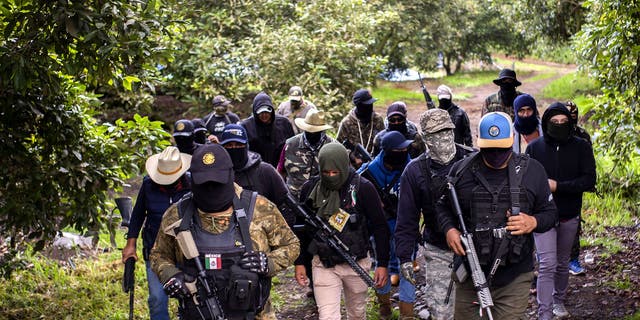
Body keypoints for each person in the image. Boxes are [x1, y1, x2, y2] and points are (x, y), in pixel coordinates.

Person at [150, 143, 300, 320]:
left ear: (230, 175)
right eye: (204, 183)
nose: (211, 188)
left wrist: (269, 262)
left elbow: (291, 244)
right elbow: (158, 255)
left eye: (217, 182)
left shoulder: (259, 208)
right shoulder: (177, 214)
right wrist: (171, 275)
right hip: (198, 313)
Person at [436, 112, 557, 319]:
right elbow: (442, 207)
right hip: (469, 275)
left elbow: (550, 214)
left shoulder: (533, 171)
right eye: (489, 149)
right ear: (479, 143)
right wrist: (449, 229)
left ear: (511, 141)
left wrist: (532, 221)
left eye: (501, 148)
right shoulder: (461, 171)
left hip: (514, 277)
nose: (495, 154)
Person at [294, 143, 390, 320]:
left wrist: (382, 264)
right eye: (326, 173)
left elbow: (380, 227)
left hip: (357, 262)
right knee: (328, 316)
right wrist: (300, 262)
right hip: (323, 263)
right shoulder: (311, 189)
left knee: (357, 313)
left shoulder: (363, 188)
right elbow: (302, 230)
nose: (331, 177)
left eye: (335, 173)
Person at [394, 108, 475, 320]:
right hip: (439, 249)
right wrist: (404, 258)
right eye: (436, 134)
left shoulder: (473, 160)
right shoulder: (414, 171)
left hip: (478, 247)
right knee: (442, 311)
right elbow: (407, 219)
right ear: (426, 138)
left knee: (478, 309)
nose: (444, 138)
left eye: (447, 131)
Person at [525, 103, 596, 320]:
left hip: (568, 213)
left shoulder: (581, 147)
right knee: (547, 264)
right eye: (554, 122)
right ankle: (544, 312)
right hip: (541, 216)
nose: (559, 125)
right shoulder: (534, 148)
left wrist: (559, 186)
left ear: (571, 123)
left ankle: (558, 300)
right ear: (546, 123)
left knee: (562, 262)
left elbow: (589, 180)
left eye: (564, 122)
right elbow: (524, 181)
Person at [122, 146, 191, 320]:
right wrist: (130, 244)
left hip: (187, 251)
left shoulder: (192, 185)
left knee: (191, 298)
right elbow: (138, 215)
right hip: (155, 250)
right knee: (157, 299)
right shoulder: (148, 184)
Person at [357, 131, 412, 319]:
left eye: (406, 149)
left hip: (405, 226)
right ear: (388, 152)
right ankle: (385, 307)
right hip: (379, 228)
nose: (405, 152)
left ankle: (407, 313)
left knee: (407, 268)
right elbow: (354, 193)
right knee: (383, 266)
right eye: (400, 149)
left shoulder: (410, 166)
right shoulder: (369, 171)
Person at [220, 124, 295, 228]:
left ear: (246, 145)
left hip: (261, 233)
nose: (234, 148)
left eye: (238, 144)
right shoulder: (216, 173)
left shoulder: (265, 171)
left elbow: (286, 206)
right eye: (229, 145)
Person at [278, 109, 335, 199]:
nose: (312, 134)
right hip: (293, 198)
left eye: (315, 132)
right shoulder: (290, 144)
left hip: (322, 200)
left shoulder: (333, 147)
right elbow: (280, 171)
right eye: (309, 131)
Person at [565, 100, 592, 276]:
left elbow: (589, 163)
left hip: (575, 185)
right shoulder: (550, 134)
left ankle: (573, 259)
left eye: (573, 115)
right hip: (553, 184)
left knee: (574, 222)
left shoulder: (583, 135)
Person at [240, 92, 295, 168]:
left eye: (267, 112)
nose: (264, 115)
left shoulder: (284, 123)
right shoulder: (246, 126)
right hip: (255, 168)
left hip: (280, 168)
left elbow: (292, 147)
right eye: (261, 112)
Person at [336, 88, 385, 168]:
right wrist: (352, 157)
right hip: (354, 168)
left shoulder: (377, 120)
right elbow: (338, 146)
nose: (370, 107)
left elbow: (384, 142)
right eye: (366, 105)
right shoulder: (347, 123)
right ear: (358, 106)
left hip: (376, 165)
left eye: (371, 104)